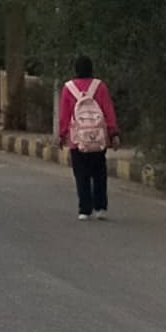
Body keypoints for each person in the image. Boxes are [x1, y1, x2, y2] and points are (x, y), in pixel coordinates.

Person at [56, 53, 118, 219]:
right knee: (99, 174)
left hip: (77, 140)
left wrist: (62, 135)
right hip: (98, 139)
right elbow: (108, 111)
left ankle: (85, 209)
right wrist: (113, 133)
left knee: (81, 175)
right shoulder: (100, 87)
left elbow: (64, 115)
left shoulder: (68, 88)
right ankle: (100, 207)